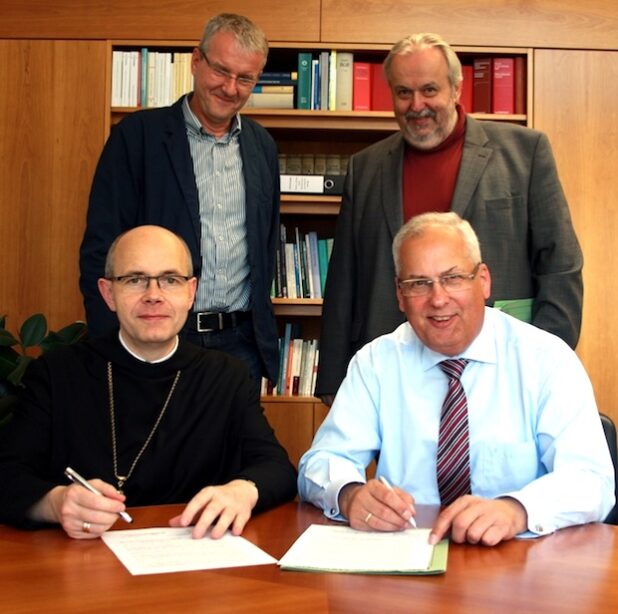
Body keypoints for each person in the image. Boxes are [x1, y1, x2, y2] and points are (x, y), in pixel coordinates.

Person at [298, 212, 613, 546]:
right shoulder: (376, 363)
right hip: (407, 553)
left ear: (484, 281)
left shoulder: (546, 359)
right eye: (419, 283)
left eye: (453, 278)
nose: (438, 299)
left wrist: (517, 509)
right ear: (399, 295)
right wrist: (349, 495)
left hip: (520, 562)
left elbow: (592, 481)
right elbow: (319, 463)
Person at [315, 32, 583, 403]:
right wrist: (333, 380)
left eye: (429, 90)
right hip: (394, 375)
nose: (417, 104)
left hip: (502, 371)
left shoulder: (525, 153)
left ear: (456, 89)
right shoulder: (366, 168)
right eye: (403, 92)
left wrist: (545, 362)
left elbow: (561, 267)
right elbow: (344, 280)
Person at [0, 225, 296, 540]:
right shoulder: (57, 374)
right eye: (134, 279)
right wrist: (56, 503)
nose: (153, 296)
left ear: (190, 292)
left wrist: (242, 491)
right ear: (108, 293)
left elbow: (277, 468)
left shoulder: (226, 376)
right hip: (82, 564)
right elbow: (6, 475)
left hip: (191, 560)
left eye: (170, 280)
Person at [79, 13, 280, 387]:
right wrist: (113, 345)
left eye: (245, 78)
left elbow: (265, 245)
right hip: (155, 336)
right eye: (221, 70)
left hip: (240, 345)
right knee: (152, 445)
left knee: (234, 446)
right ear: (196, 61)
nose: (231, 88)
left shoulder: (262, 146)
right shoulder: (137, 137)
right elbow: (99, 252)